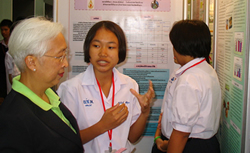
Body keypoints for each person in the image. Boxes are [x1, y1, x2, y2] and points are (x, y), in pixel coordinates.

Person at [58, 20, 155, 153]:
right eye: (97, 46)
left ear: (120, 52)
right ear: (88, 49)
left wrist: (144, 113)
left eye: (110, 47)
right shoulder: (71, 89)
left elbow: (132, 138)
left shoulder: (130, 85)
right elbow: (64, 140)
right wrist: (102, 126)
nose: (103, 53)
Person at [0, 17, 84, 153]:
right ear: (31, 62)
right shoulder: (12, 118)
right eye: (59, 56)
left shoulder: (49, 94)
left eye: (65, 54)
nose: (65, 64)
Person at [152, 19, 221, 153]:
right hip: (195, 143)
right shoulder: (204, 69)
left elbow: (181, 133)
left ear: (181, 46)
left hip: (188, 146)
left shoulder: (189, 79)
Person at [0, 19, 13, 99]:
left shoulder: (14, 46)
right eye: (2, 30)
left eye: (6, 30)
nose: (3, 32)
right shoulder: (1, 45)